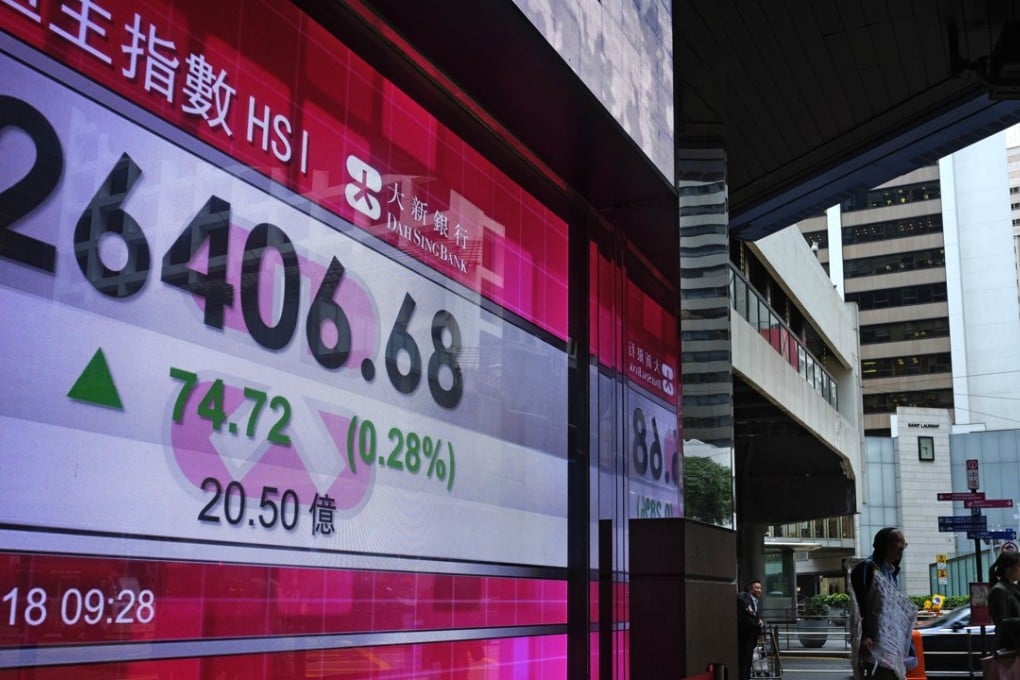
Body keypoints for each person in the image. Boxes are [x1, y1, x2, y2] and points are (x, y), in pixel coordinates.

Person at [849, 527, 918, 679]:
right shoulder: (867, 568)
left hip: (891, 653)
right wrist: (864, 636)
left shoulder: (892, 574)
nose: (901, 547)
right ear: (882, 544)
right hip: (874, 649)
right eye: (898, 541)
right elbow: (859, 605)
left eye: (904, 543)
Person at [989, 551, 1020, 650]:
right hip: (1008, 648)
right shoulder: (999, 590)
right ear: (1008, 569)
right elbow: (1002, 622)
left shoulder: (1013, 587)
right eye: (1019, 566)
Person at [737, 578, 764, 680]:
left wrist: (759, 620)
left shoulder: (756, 602)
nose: (759, 590)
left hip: (752, 637)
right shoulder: (745, 596)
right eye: (757, 588)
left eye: (760, 588)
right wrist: (747, 608)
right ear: (750, 589)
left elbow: (756, 618)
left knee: (748, 661)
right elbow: (739, 597)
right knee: (743, 662)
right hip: (744, 636)